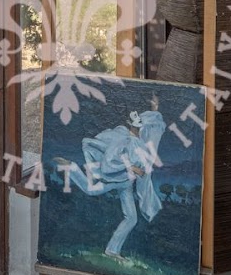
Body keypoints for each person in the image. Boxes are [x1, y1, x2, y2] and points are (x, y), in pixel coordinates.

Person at [55, 96, 166, 261]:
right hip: (114, 180)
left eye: (140, 124)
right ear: (130, 124)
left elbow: (153, 126)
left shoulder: (140, 140)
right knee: (90, 190)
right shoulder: (123, 140)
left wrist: (155, 109)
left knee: (131, 218)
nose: (140, 127)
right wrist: (130, 167)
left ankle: (112, 250)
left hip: (127, 184)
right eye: (137, 124)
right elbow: (109, 163)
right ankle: (71, 167)